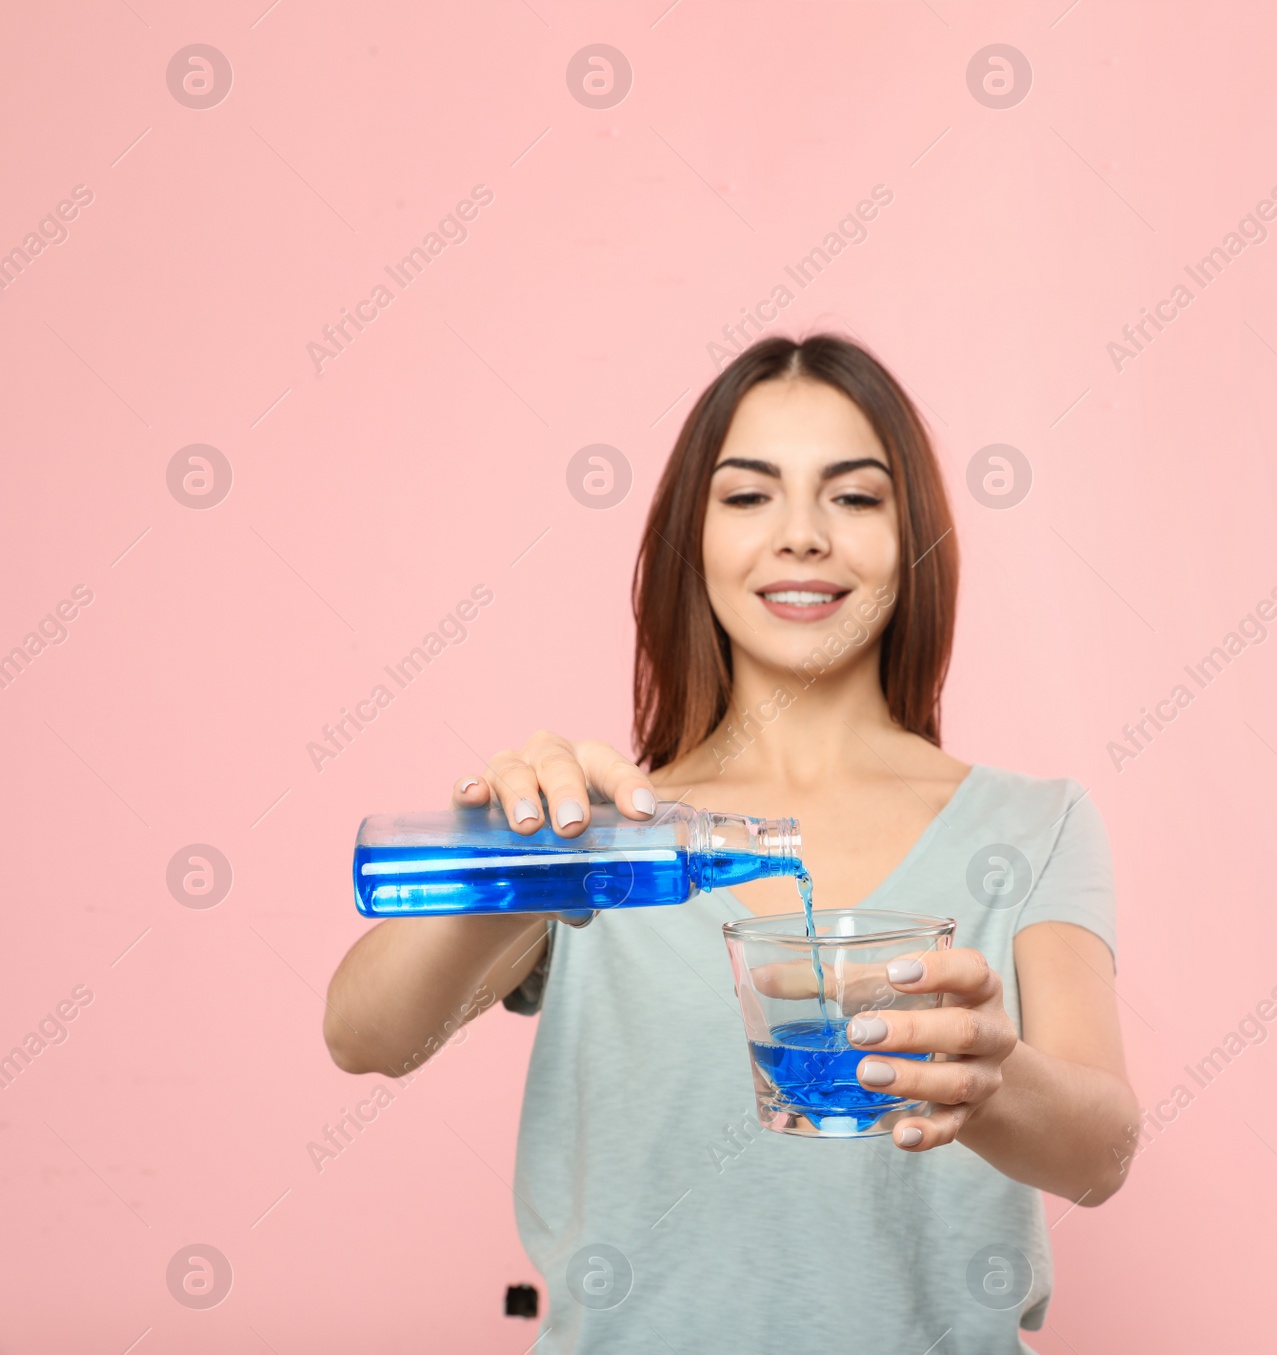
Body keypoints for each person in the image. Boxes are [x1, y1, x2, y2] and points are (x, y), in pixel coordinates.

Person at [324, 333, 1139, 1353]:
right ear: (690, 539)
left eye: (853, 497)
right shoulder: (603, 832)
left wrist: (991, 1072)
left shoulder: (1033, 822)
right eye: (749, 496)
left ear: (913, 535)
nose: (800, 536)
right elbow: (365, 1036)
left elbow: (1100, 1151)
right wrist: (517, 848)